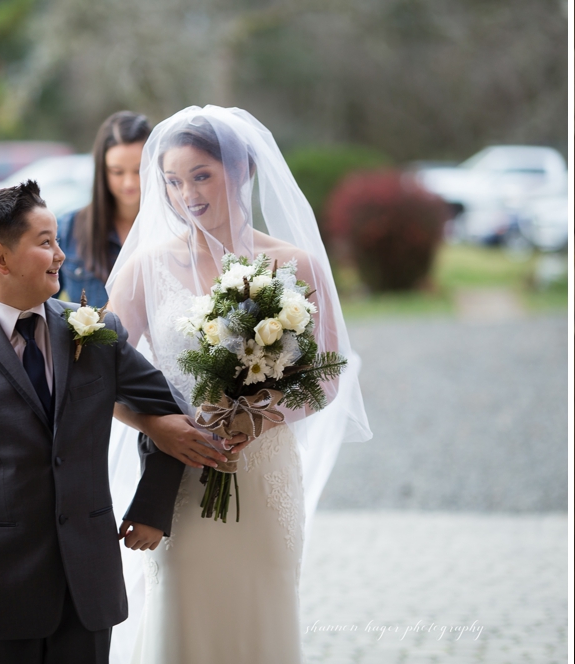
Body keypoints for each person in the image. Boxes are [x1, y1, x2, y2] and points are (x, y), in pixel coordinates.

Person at [100, 105, 372, 662]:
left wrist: (259, 418)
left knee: (260, 608)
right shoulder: (145, 268)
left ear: (242, 171)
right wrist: (158, 425)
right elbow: (96, 376)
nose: (187, 194)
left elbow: (327, 378)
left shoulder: (295, 264)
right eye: (173, 182)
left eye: (201, 176)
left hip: (264, 470)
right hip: (182, 471)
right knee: (185, 612)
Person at [0, 180, 202, 663]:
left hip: (88, 588)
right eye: (44, 242)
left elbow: (168, 406)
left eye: (57, 239)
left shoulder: (97, 330)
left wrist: (152, 505)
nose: (61, 254)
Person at [57, 110, 152, 307]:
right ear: (102, 170)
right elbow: (39, 307)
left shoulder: (175, 228)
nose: (129, 182)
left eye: (139, 169)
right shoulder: (68, 229)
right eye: (117, 172)